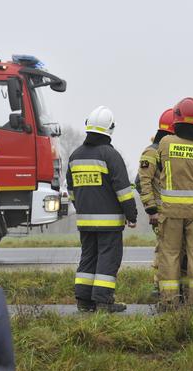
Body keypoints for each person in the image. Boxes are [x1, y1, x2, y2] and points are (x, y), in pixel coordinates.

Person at [142, 97, 193, 312]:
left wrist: (151, 207)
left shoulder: (165, 144)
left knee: (170, 254)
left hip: (171, 211)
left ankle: (169, 300)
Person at [67, 106, 137, 313]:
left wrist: (81, 208)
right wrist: (131, 215)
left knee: (88, 257)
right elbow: (123, 190)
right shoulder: (110, 155)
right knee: (108, 258)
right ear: (110, 129)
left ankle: (84, 300)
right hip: (109, 223)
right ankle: (104, 301)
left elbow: (71, 189)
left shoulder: (75, 155)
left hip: (85, 221)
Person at [136, 109, 177, 296]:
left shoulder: (169, 149)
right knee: (164, 249)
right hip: (161, 210)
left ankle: (175, 286)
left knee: (173, 249)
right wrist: (151, 209)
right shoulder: (152, 152)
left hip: (174, 210)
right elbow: (142, 182)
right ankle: (159, 286)